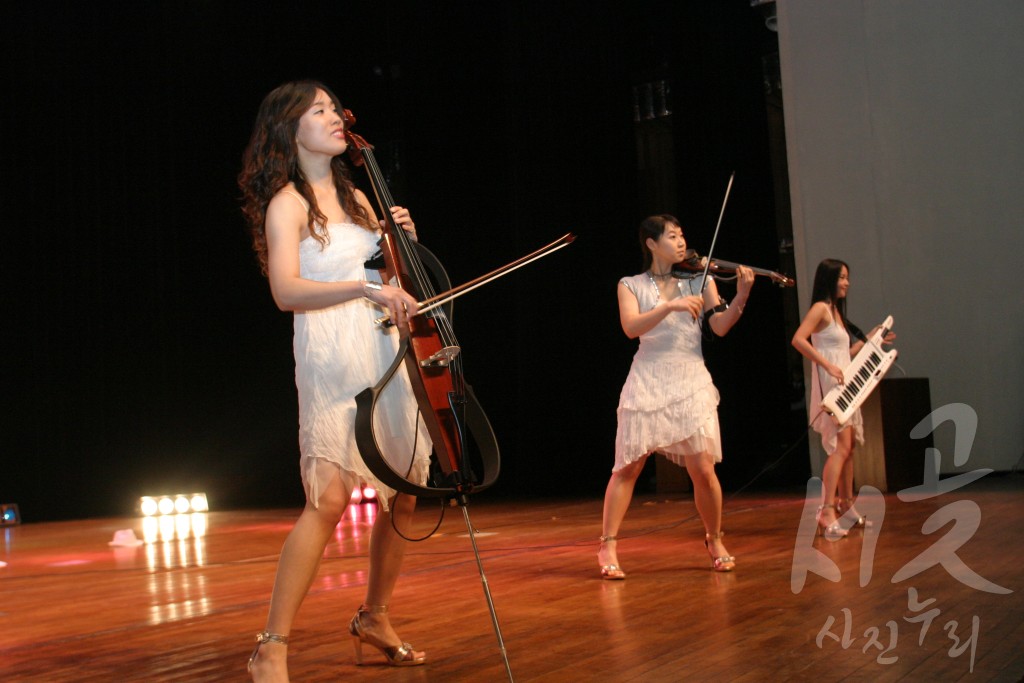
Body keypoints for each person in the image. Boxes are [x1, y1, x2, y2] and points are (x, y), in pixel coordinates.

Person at [238, 80, 431, 680]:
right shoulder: (287, 204)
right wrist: (365, 286)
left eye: (332, 107)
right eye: (317, 110)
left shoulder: (359, 200)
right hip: (330, 354)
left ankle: (374, 615)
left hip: (381, 350)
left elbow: (392, 274)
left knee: (404, 492)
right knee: (327, 498)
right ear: (289, 129)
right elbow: (285, 291)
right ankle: (271, 646)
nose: (333, 115)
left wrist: (403, 241)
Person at [598, 215, 754, 578]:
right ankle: (607, 545)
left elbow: (718, 325)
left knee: (703, 468)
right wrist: (669, 306)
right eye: (672, 236)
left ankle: (714, 539)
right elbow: (630, 328)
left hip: (690, 377)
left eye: (682, 235)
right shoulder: (630, 284)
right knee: (629, 467)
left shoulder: (701, 279)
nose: (682, 242)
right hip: (649, 377)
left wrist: (741, 297)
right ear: (652, 244)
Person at [790, 258, 893, 538]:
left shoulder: (835, 311)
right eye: (842, 277)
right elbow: (799, 339)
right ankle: (826, 510)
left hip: (845, 383)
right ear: (829, 279)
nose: (847, 282)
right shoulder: (820, 309)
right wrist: (826, 365)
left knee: (848, 449)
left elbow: (846, 352)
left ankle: (847, 504)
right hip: (831, 384)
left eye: (848, 277)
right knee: (840, 448)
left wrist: (873, 339)